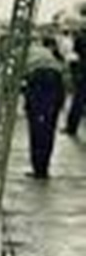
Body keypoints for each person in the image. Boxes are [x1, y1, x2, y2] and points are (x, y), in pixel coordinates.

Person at [23, 37, 67, 179]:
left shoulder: (24, 52)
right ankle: (43, 168)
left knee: (36, 129)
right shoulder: (49, 53)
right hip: (55, 82)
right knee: (49, 128)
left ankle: (38, 169)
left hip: (39, 81)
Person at [63, 21, 86, 137]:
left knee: (78, 100)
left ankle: (71, 128)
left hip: (83, 71)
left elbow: (76, 52)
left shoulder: (81, 38)